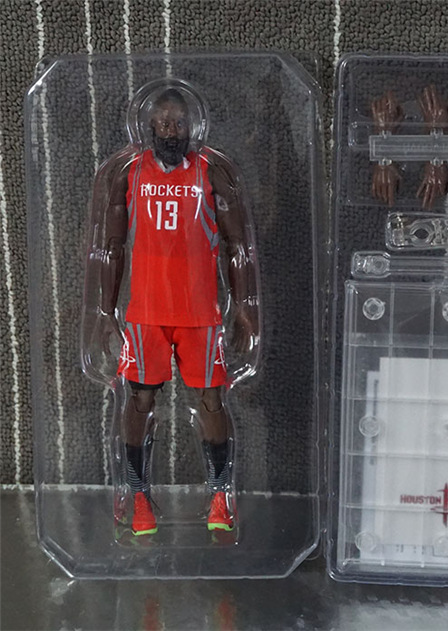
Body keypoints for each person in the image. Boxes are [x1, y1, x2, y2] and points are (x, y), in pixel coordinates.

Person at [94, 85, 259, 535]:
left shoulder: (211, 171)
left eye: (179, 122)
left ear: (191, 126)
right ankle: (138, 497)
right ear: (149, 125)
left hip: (200, 314)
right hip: (146, 313)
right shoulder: (130, 173)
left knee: (211, 400)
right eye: (164, 122)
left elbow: (238, 247)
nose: (171, 130)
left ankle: (220, 496)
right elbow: (110, 248)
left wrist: (245, 306)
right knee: (140, 400)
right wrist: (105, 312)